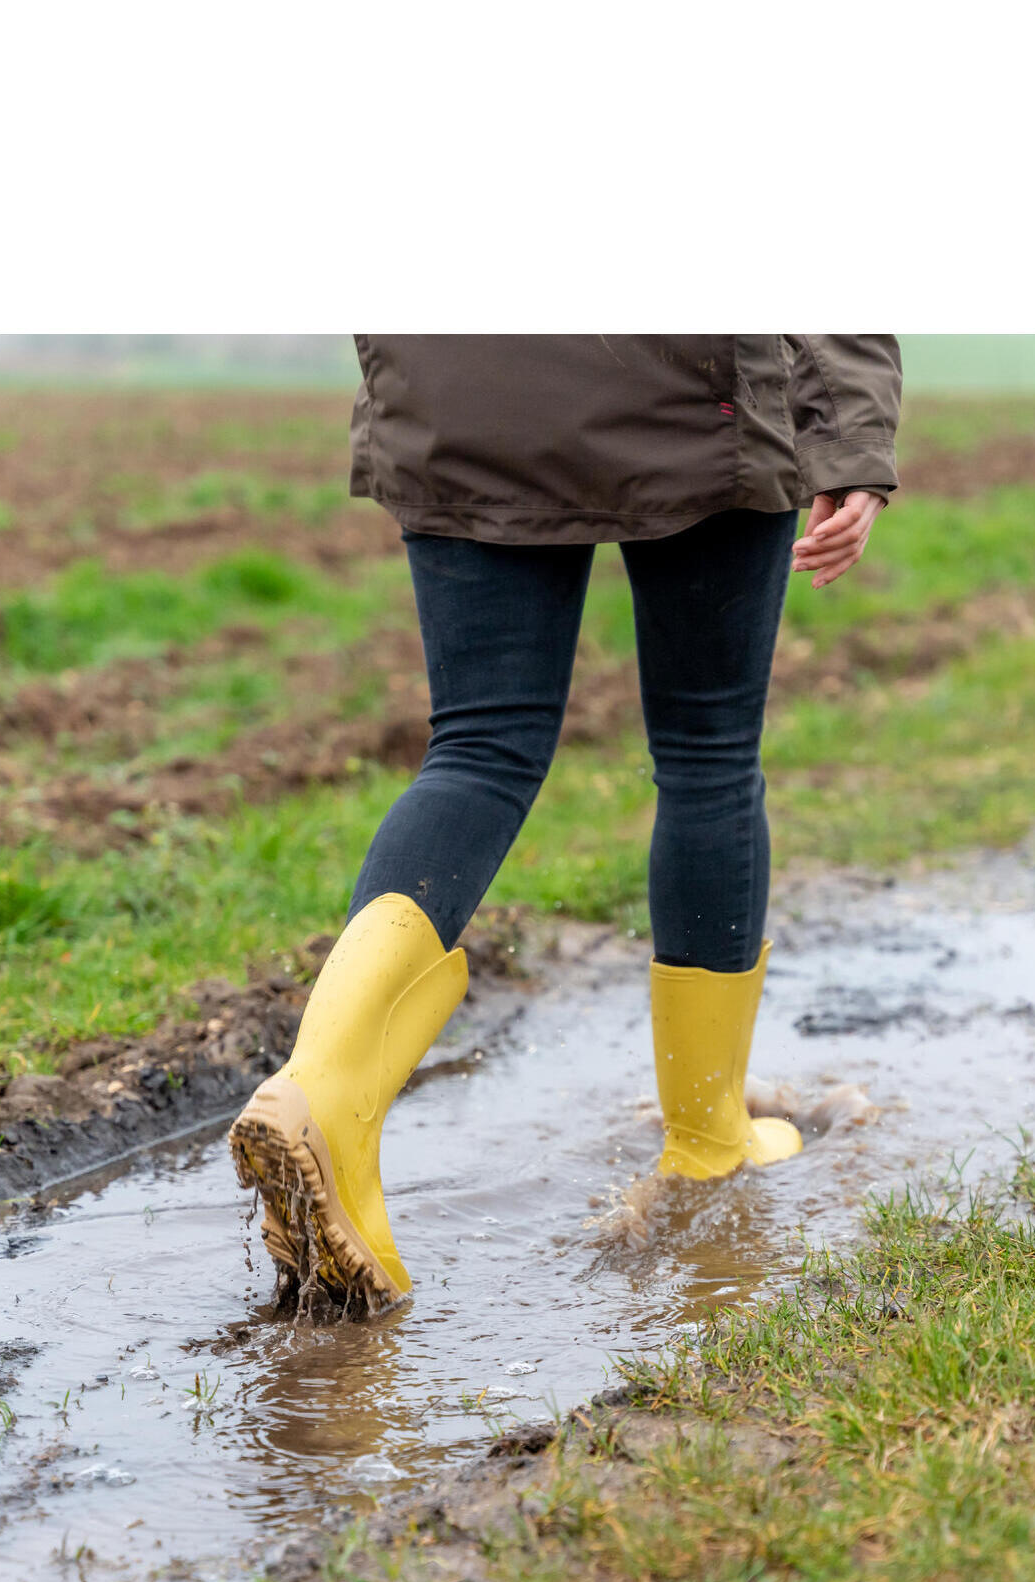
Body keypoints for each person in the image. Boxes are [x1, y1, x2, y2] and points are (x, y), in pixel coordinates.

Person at [230, 334, 901, 1311]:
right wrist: (850, 443)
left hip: (455, 387)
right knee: (706, 752)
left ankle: (321, 1084)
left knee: (476, 749)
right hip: (682, 390)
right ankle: (706, 1136)